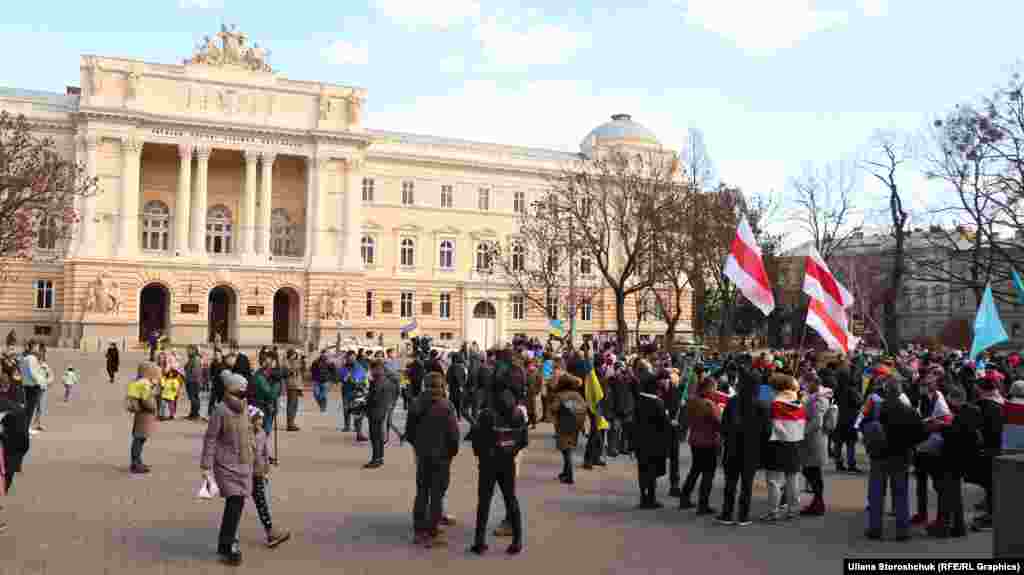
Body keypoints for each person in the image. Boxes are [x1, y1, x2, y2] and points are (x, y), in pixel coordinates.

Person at [201, 372, 254, 565]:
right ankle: (227, 546)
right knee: (235, 502)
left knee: (237, 504)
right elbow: (211, 438)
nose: (244, 394)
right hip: (226, 465)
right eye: (241, 391)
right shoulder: (220, 410)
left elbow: (249, 433)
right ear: (232, 390)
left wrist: (257, 456)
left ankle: (227, 542)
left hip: (244, 463)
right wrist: (206, 466)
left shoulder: (246, 407)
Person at [469, 384, 528, 555]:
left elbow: (476, 439)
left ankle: (479, 542)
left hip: (488, 463)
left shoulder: (486, 414)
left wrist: (481, 455)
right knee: (511, 499)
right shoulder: (518, 414)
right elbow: (523, 440)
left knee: (484, 501)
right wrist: (512, 451)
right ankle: (517, 541)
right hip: (507, 462)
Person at [405, 372, 460, 547]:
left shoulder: (416, 403)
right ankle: (432, 532)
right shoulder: (447, 406)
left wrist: (418, 447)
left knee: (422, 492)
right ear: (442, 386)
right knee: (437, 495)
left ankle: (419, 530)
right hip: (442, 457)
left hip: (423, 455)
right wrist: (451, 453)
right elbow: (454, 435)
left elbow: (409, 433)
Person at [717, 363, 769, 527]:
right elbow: (767, 431)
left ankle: (726, 514)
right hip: (751, 449)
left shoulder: (733, 402)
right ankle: (743, 516)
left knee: (730, 483)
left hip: (732, 447)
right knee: (747, 484)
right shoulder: (761, 404)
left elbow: (723, 427)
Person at [247, 404, 291, 548]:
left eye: (260, 419)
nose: (260, 422)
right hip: (246, 473)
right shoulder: (245, 436)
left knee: (261, 502)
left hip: (257, 473)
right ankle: (230, 535)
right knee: (238, 504)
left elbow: (265, 454)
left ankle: (270, 532)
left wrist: (266, 471)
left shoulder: (262, 434)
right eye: (256, 420)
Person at [679, 377, 722, 514]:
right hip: (709, 441)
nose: (715, 391)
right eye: (714, 388)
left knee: (695, 470)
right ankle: (703, 504)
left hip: (695, 440)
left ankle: (684, 497)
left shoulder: (692, 401)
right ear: (708, 388)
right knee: (708, 473)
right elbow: (718, 423)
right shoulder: (709, 404)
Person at [633, 367, 670, 509]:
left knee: (642, 471)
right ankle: (651, 498)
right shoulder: (657, 403)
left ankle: (643, 497)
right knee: (652, 472)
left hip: (640, 442)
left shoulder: (639, 401)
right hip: (654, 444)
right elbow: (664, 424)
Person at [800, 373, 833, 516]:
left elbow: (817, 422)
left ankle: (818, 503)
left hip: (814, 440)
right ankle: (817, 502)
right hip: (814, 439)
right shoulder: (816, 396)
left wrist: (802, 433)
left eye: (806, 383)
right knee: (812, 471)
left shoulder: (819, 399)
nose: (805, 386)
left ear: (813, 383)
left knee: (812, 471)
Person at [549, 374, 586, 485]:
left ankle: (569, 476)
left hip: (563, 425)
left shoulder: (560, 395)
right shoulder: (577, 395)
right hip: (576, 425)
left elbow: (554, 408)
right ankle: (565, 472)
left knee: (566, 451)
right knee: (568, 448)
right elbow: (584, 407)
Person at [126, 362, 162, 474]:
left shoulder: (141, 382)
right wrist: (154, 406)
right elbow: (147, 401)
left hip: (141, 415)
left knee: (140, 439)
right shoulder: (145, 384)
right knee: (139, 439)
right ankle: (136, 463)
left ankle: (137, 461)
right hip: (144, 416)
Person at [365, 359, 399, 469]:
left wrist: (365, 402)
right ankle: (379, 458)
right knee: (378, 436)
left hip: (376, 411)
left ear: (376, 369)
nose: (371, 371)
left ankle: (376, 459)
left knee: (375, 436)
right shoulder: (387, 379)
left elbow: (374, 397)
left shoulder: (378, 381)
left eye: (371, 369)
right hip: (383, 409)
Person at [30, 344, 53, 433]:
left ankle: (38, 424)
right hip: (34, 388)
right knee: (32, 406)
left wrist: (47, 382)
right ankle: (29, 424)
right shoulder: (33, 365)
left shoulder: (45, 366)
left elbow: (51, 376)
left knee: (41, 407)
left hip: (43, 388)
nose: (41, 357)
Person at [285, 350, 304, 432]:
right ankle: (290, 424)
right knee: (291, 405)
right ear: (290, 355)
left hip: (296, 386)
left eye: (295, 354)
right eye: (294, 354)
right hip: (291, 386)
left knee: (295, 405)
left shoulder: (295, 362)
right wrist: (294, 367)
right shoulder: (287, 362)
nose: (295, 355)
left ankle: (292, 422)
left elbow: (300, 371)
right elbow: (288, 371)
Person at [184, 346, 204, 421]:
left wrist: (191, 379)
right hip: (191, 381)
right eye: (187, 350)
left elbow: (195, 372)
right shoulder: (191, 359)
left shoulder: (196, 359)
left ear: (194, 351)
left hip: (193, 382)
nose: (187, 352)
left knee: (194, 398)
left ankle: (195, 414)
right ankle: (192, 413)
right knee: (193, 398)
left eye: (189, 350)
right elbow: (187, 367)